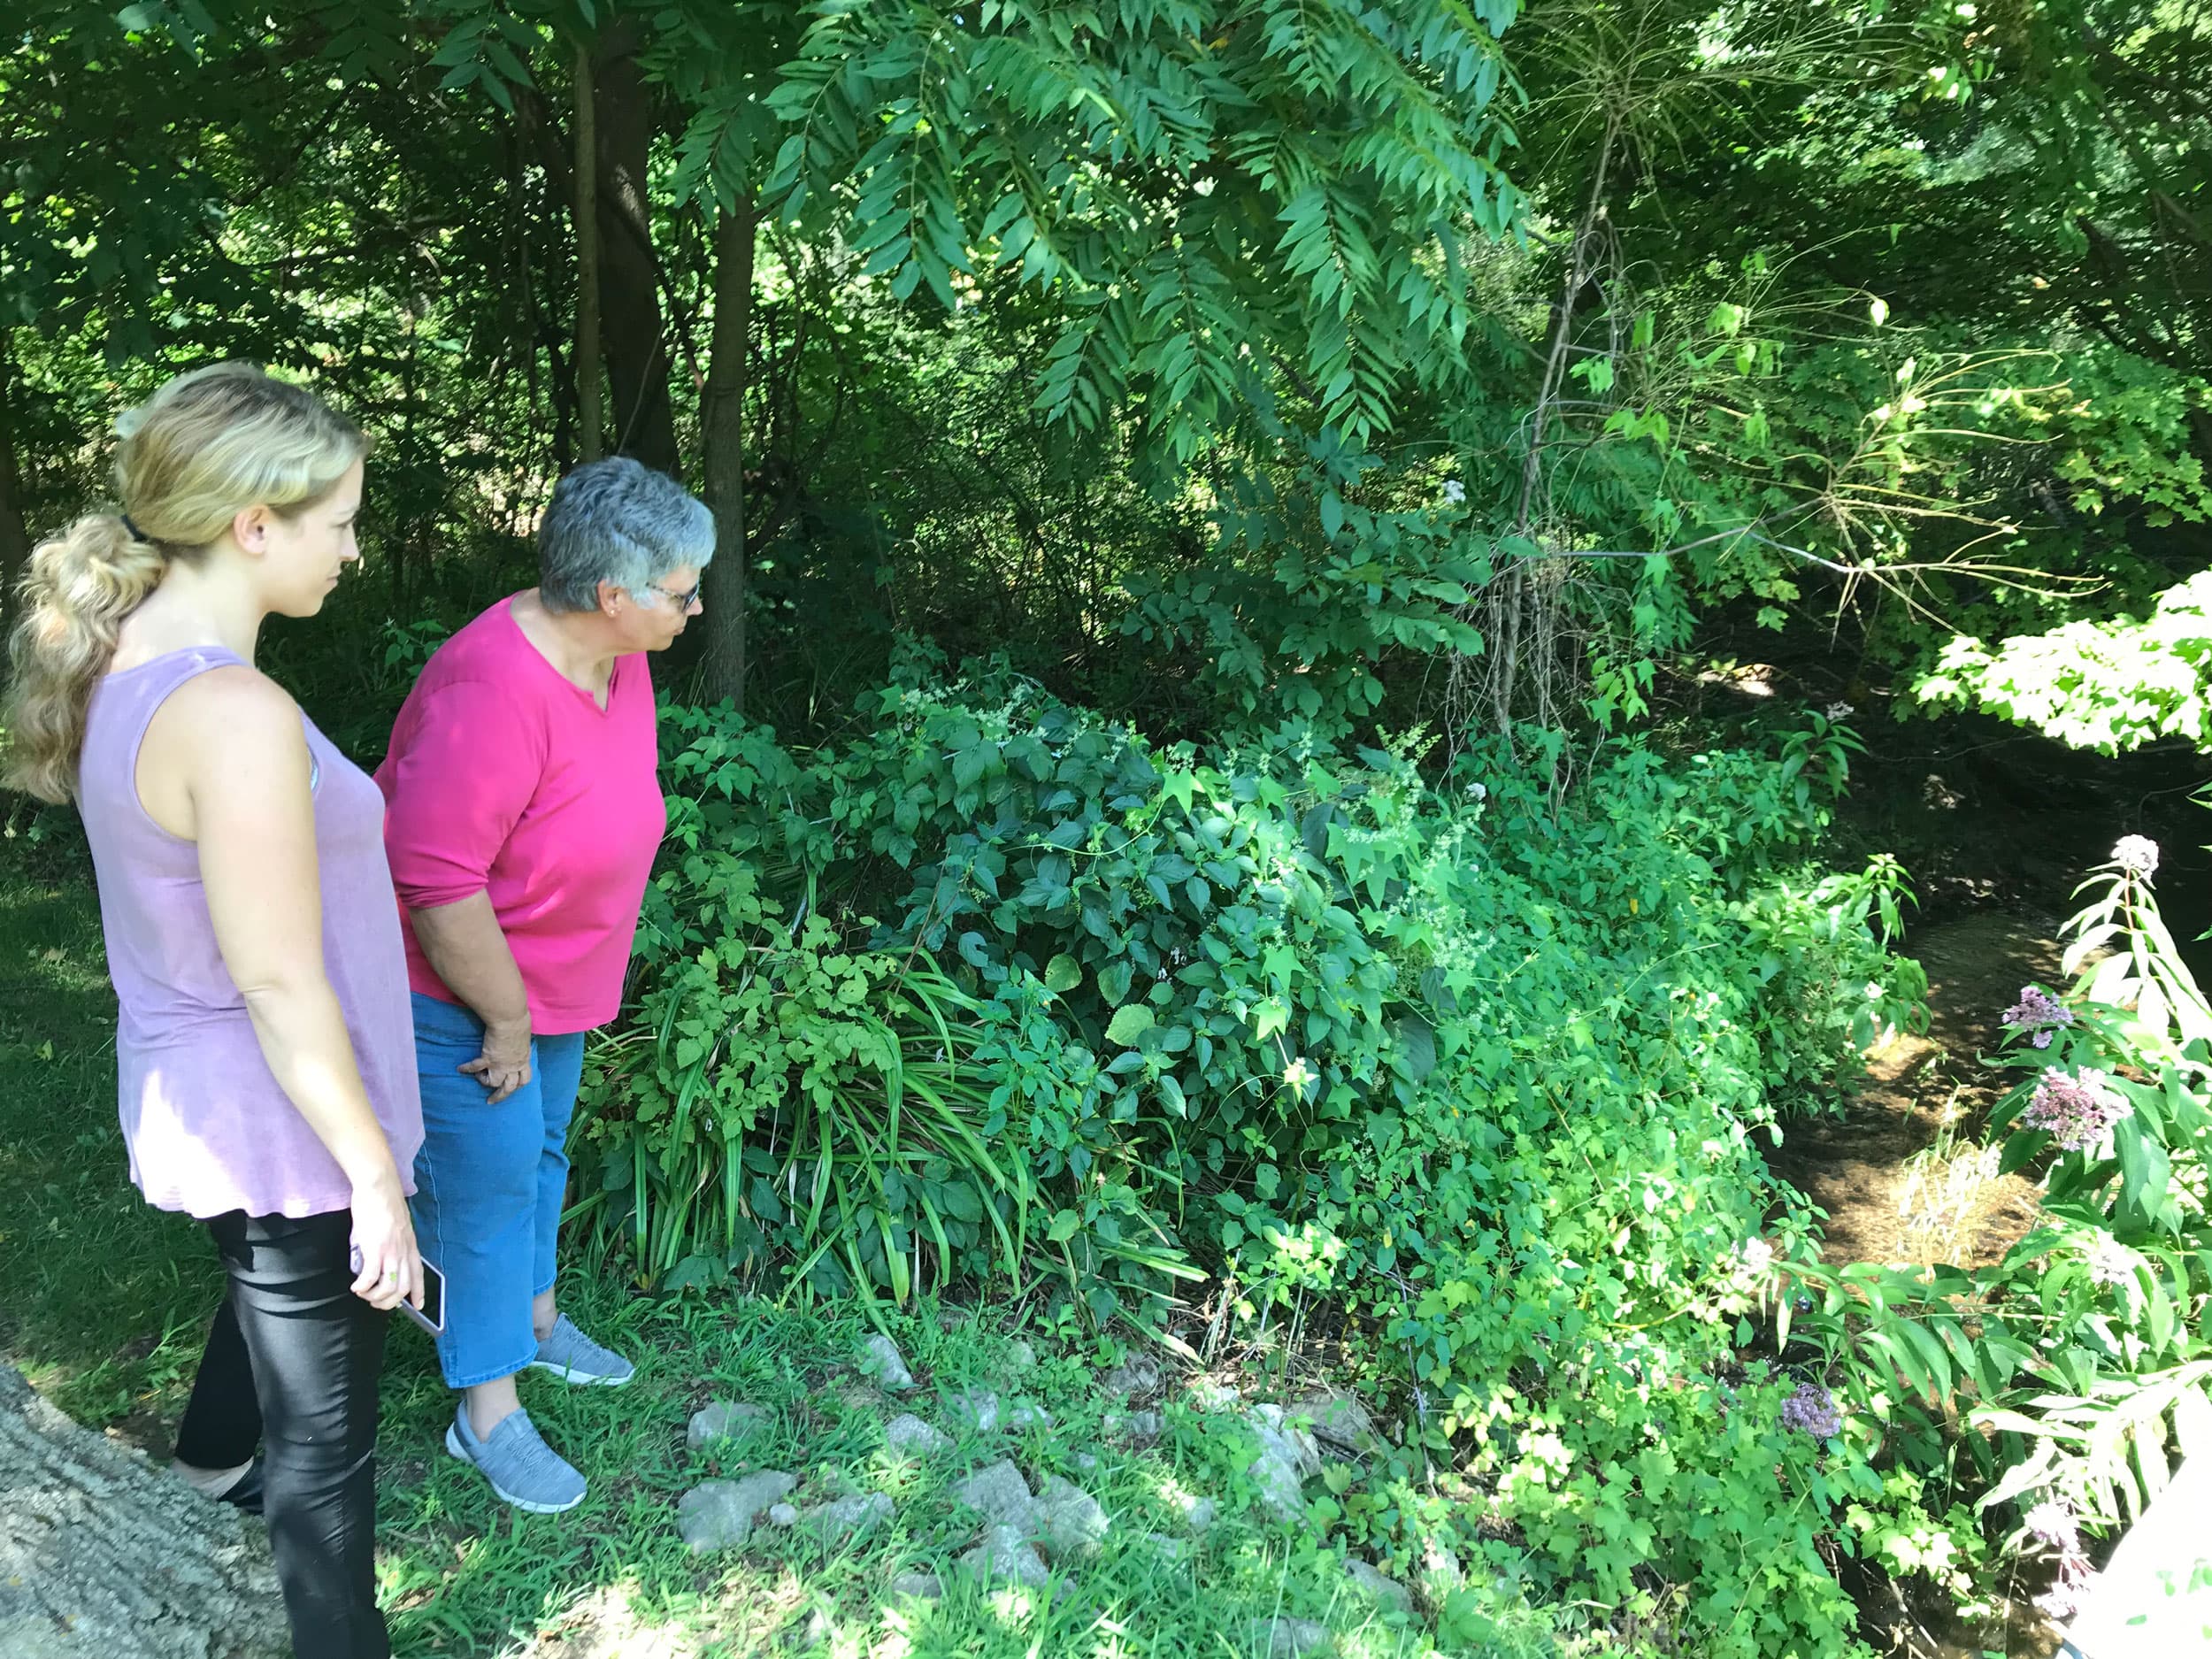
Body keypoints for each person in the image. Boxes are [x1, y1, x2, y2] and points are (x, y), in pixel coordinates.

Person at [1, 362, 426, 1659]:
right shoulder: (229, 709)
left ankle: (201, 1463)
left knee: (265, 1290)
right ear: (255, 525)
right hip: (279, 1101)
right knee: (329, 1445)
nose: (355, 548)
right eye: (340, 519)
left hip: (218, 1083)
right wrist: (373, 1173)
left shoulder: (128, 660)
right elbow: (279, 977)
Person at [377, 456, 709, 1512]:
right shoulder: (493, 691)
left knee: (542, 1151)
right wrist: (506, 1016)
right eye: (683, 590)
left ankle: (531, 1313)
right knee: (482, 1188)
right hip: (466, 998)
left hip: (552, 983)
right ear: (614, 596)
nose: (696, 607)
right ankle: (487, 1412)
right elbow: (432, 880)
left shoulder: (622, 654)